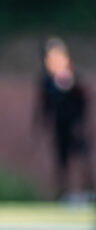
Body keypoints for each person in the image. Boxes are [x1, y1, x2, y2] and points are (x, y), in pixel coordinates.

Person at [36, 38, 93, 200]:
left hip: (74, 124)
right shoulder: (47, 81)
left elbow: (83, 100)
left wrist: (79, 123)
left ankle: (89, 190)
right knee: (62, 161)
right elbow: (44, 105)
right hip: (60, 126)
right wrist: (42, 125)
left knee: (83, 158)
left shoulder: (71, 77)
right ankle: (63, 193)